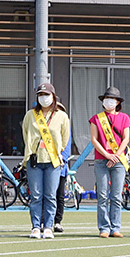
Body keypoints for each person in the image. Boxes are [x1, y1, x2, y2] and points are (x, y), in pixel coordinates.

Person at [21, 83, 69, 240]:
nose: (44, 98)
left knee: (50, 195)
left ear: (53, 96)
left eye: (46, 95)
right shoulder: (30, 115)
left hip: (52, 160)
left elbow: (65, 137)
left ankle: (48, 226)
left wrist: (58, 150)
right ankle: (35, 226)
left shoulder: (61, 116)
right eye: (40, 95)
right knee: (35, 195)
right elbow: (25, 133)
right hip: (35, 159)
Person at [90, 87, 130, 238]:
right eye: (107, 99)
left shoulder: (124, 118)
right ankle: (104, 228)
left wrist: (116, 155)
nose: (109, 101)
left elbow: (126, 138)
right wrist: (107, 155)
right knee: (102, 195)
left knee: (116, 195)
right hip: (101, 159)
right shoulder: (96, 118)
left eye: (113, 99)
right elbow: (94, 139)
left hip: (119, 160)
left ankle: (115, 227)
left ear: (118, 102)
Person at [52, 100, 74, 234]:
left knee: (59, 195)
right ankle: (44, 221)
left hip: (60, 167)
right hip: (47, 163)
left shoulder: (65, 124)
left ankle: (57, 221)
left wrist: (62, 160)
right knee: (47, 195)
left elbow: (67, 146)